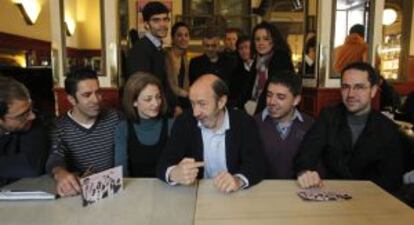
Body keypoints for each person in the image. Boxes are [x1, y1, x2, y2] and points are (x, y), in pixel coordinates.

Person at [294, 62, 403, 194]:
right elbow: (306, 153)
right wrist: (305, 172)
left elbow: (392, 181)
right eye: (346, 87)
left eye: (359, 87)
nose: (350, 94)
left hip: (370, 201)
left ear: (373, 91)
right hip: (330, 196)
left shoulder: (388, 129)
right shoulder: (328, 117)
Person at [156, 74, 265, 193]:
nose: (195, 113)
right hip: (195, 194)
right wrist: (174, 173)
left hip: (234, 195)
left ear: (221, 102)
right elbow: (163, 162)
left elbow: (256, 163)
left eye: (202, 104)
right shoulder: (184, 122)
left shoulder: (244, 123)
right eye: (192, 103)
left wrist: (238, 180)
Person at [46, 69, 121, 197]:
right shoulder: (58, 126)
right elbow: (55, 157)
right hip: (79, 193)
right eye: (87, 95)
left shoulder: (114, 117)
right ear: (72, 99)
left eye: (98, 93)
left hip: (114, 189)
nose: (96, 100)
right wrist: (60, 173)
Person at [255, 71, 314, 179]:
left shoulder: (310, 125)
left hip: (298, 191)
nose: (272, 102)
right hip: (261, 191)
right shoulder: (253, 124)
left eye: (280, 97)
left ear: (296, 100)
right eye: (269, 95)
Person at [115, 72, 173, 177]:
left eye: (158, 97)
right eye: (148, 99)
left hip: (166, 186)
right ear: (134, 102)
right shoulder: (123, 128)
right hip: (135, 189)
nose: (156, 103)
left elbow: (176, 165)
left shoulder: (171, 124)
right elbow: (121, 171)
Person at [126, 1, 176, 115]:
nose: (162, 24)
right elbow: (141, 89)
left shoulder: (157, 47)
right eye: (156, 20)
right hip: (151, 113)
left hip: (161, 110)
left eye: (165, 19)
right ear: (146, 24)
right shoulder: (141, 49)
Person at [0, 76, 49, 186]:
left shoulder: (35, 123)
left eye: (30, 109)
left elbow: (31, 166)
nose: (32, 116)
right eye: (22, 115)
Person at [249, 22, 294, 114]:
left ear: (274, 40)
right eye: (257, 39)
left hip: (277, 108)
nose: (261, 43)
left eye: (266, 39)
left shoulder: (281, 59)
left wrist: (257, 113)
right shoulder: (257, 61)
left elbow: (275, 88)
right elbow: (248, 87)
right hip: (256, 107)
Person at [165, 22, 191, 114]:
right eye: (179, 35)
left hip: (183, 102)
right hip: (169, 103)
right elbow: (167, 85)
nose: (183, 38)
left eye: (186, 35)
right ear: (173, 38)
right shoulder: (165, 57)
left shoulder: (186, 58)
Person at [228, 35, 254, 110]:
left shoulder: (260, 67)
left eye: (246, 47)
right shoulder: (235, 71)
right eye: (241, 48)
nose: (244, 51)